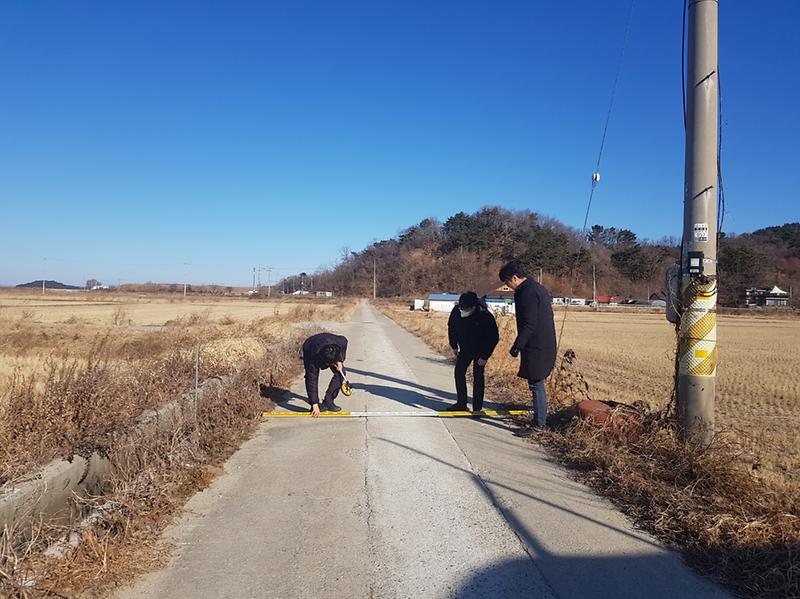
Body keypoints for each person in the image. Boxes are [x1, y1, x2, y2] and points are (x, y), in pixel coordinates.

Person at [499, 259, 556, 427]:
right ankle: (540, 420)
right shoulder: (536, 288)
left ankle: (539, 424)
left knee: (536, 383)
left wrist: (518, 345)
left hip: (537, 345)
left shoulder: (527, 293)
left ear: (515, 278)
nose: (508, 286)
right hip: (543, 343)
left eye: (508, 282)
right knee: (536, 383)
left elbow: (530, 323)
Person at [446, 291, 499, 413]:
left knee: (478, 376)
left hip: (481, 350)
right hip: (465, 348)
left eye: (466, 308)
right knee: (459, 372)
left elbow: (493, 338)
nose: (462, 310)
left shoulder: (485, 316)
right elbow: (451, 327)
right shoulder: (456, 311)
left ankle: (477, 408)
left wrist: (485, 357)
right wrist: (454, 345)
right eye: (461, 307)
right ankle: (461, 403)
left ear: (474, 307)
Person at [302, 332, 348, 418]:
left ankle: (328, 401)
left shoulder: (340, 342)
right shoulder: (314, 356)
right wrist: (314, 404)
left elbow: (344, 342)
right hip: (310, 346)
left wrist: (340, 361)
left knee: (341, 372)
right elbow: (311, 379)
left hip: (329, 343)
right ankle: (314, 403)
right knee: (311, 374)